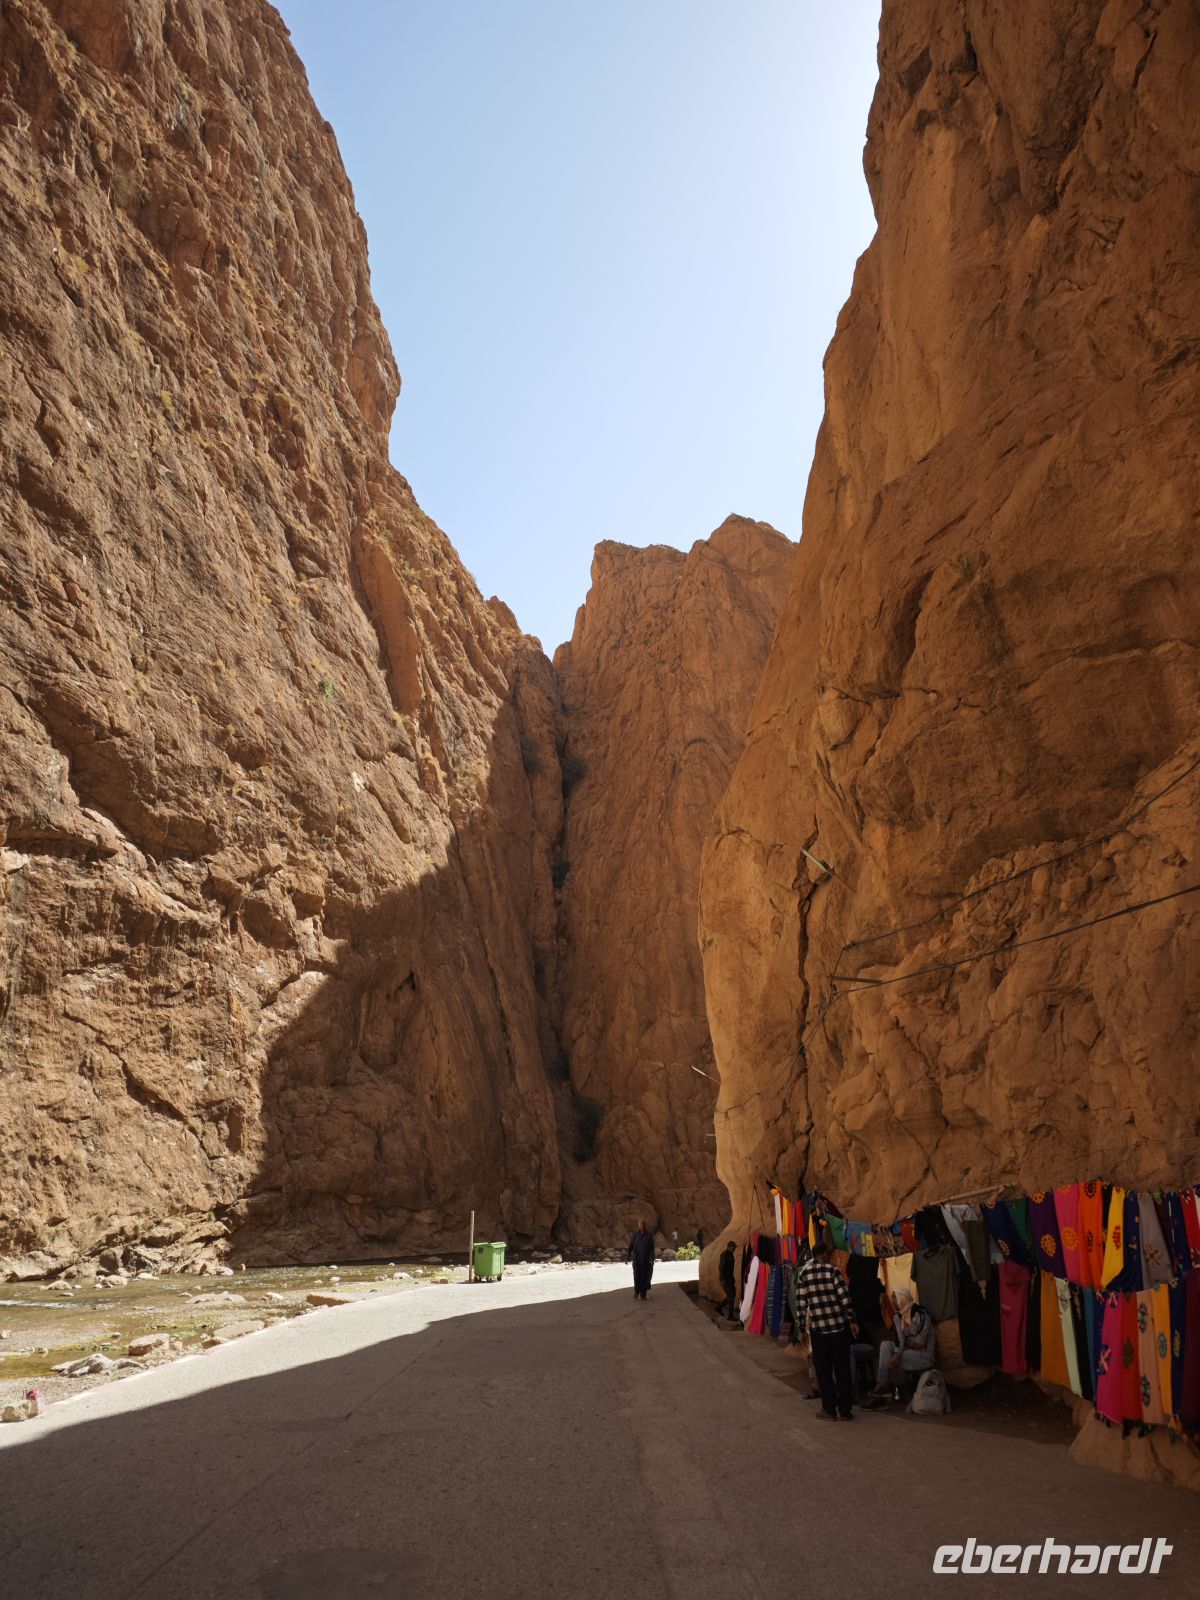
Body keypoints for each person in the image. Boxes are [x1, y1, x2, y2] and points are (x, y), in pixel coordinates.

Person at [793, 1239, 856, 1420]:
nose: (829, 1257)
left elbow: (801, 1304)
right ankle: (845, 1411)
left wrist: (801, 1328)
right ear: (823, 1255)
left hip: (818, 1331)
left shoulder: (804, 1274)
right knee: (842, 1370)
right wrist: (852, 1319)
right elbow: (845, 1299)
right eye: (828, 1255)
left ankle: (829, 1410)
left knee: (824, 1372)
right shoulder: (833, 1271)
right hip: (838, 1328)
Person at [869, 1287, 936, 1397]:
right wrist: (899, 1351)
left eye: (894, 1297)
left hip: (924, 1355)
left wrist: (899, 1351)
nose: (892, 1299)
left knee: (888, 1358)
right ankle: (882, 1384)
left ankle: (883, 1387)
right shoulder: (898, 1316)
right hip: (908, 1352)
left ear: (902, 1299)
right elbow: (899, 1338)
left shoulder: (920, 1315)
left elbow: (919, 1344)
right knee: (885, 1345)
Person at [628, 1219, 655, 1300]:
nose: (641, 1226)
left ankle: (643, 1295)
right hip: (636, 1260)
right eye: (640, 1225)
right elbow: (631, 1245)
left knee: (644, 1277)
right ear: (638, 1226)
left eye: (643, 1224)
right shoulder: (635, 1235)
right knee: (636, 1277)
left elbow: (651, 1248)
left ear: (645, 1225)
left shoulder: (649, 1235)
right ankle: (636, 1292)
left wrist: (651, 1259)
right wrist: (628, 1256)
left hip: (645, 1260)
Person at [717, 1240, 738, 1320]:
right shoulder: (724, 1255)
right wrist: (722, 1280)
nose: (735, 1249)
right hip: (725, 1280)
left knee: (732, 1295)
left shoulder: (730, 1255)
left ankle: (719, 1307)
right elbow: (721, 1268)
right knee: (731, 1296)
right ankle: (730, 1315)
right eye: (734, 1247)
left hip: (730, 1279)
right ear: (730, 1247)